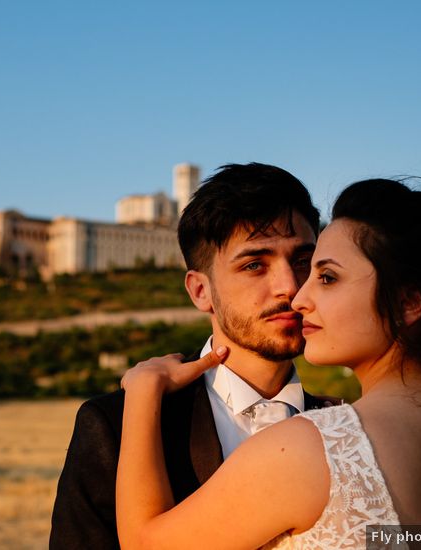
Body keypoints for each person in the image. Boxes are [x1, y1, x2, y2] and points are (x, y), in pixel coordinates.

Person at [116, 179, 421, 549]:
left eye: (324, 276)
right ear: (199, 290)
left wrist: (141, 391)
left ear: (410, 302)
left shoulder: (312, 447)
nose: (298, 295)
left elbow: (141, 544)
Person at [50, 163, 339, 549]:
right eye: (255, 265)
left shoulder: (347, 427)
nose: (289, 286)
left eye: (302, 260)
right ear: (200, 291)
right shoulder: (113, 424)